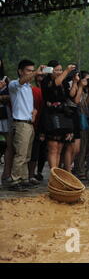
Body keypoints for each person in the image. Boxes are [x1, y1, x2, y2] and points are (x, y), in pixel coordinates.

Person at [7, 60, 44, 191]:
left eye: (32, 70)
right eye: (28, 70)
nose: (32, 73)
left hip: (29, 123)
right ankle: (15, 180)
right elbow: (21, 81)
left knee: (27, 155)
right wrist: (35, 73)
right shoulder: (14, 84)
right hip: (21, 124)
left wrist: (33, 112)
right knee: (21, 154)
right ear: (20, 71)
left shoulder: (29, 88)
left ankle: (23, 178)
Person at [41, 60, 76, 169]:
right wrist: (67, 71)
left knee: (60, 147)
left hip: (63, 114)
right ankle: (53, 174)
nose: (60, 72)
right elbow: (55, 84)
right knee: (53, 148)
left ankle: (57, 173)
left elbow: (71, 95)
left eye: (61, 70)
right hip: (51, 115)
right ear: (50, 71)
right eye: (57, 70)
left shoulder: (64, 82)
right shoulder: (46, 81)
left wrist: (75, 82)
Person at [73, 71, 89, 179]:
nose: (88, 82)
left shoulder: (85, 91)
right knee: (81, 147)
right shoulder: (77, 89)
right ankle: (78, 169)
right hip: (79, 119)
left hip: (85, 118)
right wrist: (80, 86)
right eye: (87, 79)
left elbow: (86, 103)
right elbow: (77, 101)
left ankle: (81, 168)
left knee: (86, 145)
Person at [28, 71, 46, 181]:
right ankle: (30, 174)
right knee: (33, 150)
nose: (41, 78)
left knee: (42, 151)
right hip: (35, 121)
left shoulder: (49, 89)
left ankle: (38, 172)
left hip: (45, 122)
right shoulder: (33, 90)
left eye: (43, 76)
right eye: (39, 75)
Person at [0, 58, 14, 185]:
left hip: (5, 114)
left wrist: (4, 97)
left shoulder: (6, 79)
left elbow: (13, 96)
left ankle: (6, 173)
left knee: (10, 145)